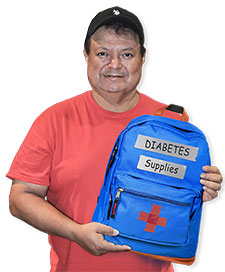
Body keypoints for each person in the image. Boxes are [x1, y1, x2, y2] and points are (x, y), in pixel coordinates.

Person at [7, 6, 223, 272]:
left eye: (128, 54)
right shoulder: (53, 120)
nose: (115, 65)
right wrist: (76, 232)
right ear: (86, 56)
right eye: (102, 54)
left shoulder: (171, 121)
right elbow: (20, 198)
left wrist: (202, 186)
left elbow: (177, 195)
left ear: (143, 58)